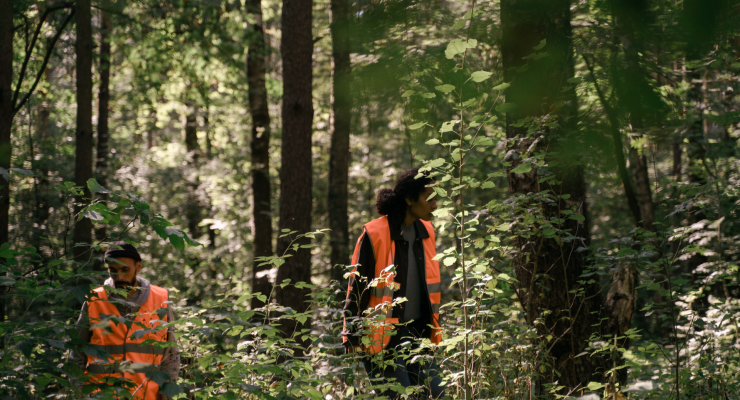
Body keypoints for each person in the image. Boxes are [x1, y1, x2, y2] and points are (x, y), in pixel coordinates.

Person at [341, 167, 445, 399]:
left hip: (419, 332)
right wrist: (351, 334)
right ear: (409, 199)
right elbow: (357, 287)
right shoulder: (375, 232)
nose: (435, 204)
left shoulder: (426, 230)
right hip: (382, 336)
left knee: (436, 394)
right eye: (430, 198)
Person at [71, 242, 180, 400]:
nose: (119, 277)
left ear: (138, 267)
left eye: (125, 270)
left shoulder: (160, 300)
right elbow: (77, 351)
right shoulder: (94, 300)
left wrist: (167, 391)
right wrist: (78, 389)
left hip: (147, 395)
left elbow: (171, 354)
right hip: (101, 395)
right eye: (113, 271)